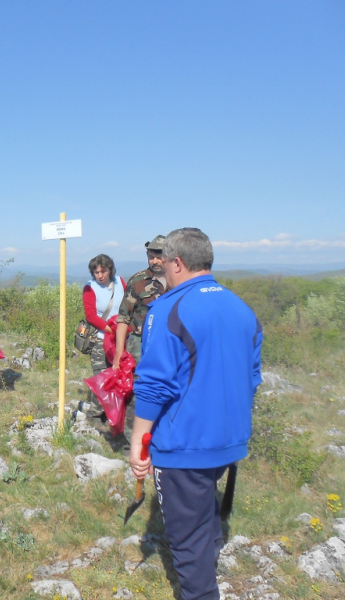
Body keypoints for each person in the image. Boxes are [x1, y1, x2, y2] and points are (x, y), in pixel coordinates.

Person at [129, 228, 262, 600]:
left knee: (186, 542)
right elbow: (251, 378)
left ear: (177, 262)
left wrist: (139, 442)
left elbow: (155, 383)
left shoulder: (168, 308)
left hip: (184, 443)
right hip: (229, 440)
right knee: (204, 508)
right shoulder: (242, 309)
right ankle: (210, 553)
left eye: (166, 266)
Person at [110, 235, 167, 446]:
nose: (156, 261)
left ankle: (159, 438)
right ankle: (131, 442)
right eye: (152, 256)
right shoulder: (138, 281)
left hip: (168, 346)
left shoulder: (179, 280)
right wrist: (118, 352)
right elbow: (124, 317)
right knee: (136, 391)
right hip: (139, 345)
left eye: (160, 256)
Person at [80, 254, 126, 415]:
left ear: (110, 270)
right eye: (96, 272)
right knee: (101, 377)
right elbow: (91, 316)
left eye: (103, 271)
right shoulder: (90, 287)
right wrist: (112, 330)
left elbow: (128, 306)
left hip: (121, 340)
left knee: (119, 375)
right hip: (100, 340)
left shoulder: (120, 282)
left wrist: (122, 331)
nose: (100, 275)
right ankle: (96, 414)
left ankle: (116, 413)